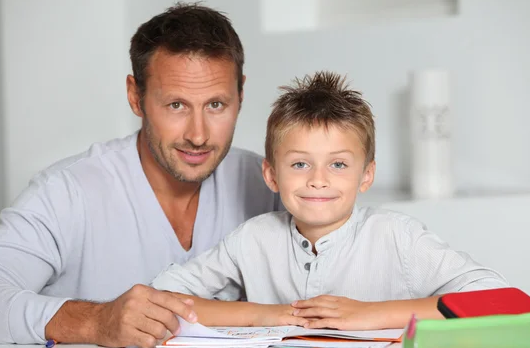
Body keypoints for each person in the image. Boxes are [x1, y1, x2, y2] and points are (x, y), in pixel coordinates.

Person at [0, 3, 282, 347]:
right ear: (135, 97)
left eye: (215, 105)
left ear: (240, 94)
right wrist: (94, 322)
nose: (198, 135)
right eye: (176, 105)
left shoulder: (269, 185)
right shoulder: (68, 191)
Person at [151, 71, 509, 331]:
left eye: (338, 164)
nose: (318, 179)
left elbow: (500, 300)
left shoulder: (397, 237)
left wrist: (371, 313)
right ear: (272, 175)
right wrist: (267, 314)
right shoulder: (251, 240)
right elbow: (160, 298)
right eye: (300, 164)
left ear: (366, 175)